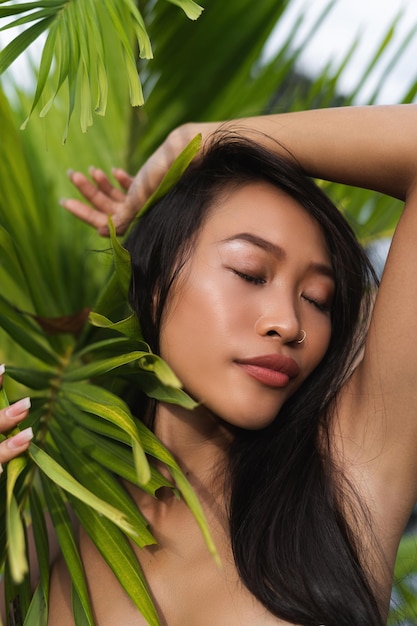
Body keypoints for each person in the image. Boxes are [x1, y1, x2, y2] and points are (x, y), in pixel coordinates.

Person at [1, 105, 417, 625]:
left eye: (317, 299)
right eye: (249, 272)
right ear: (153, 286)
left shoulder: (349, 474)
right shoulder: (55, 516)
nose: (288, 322)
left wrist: (203, 139)